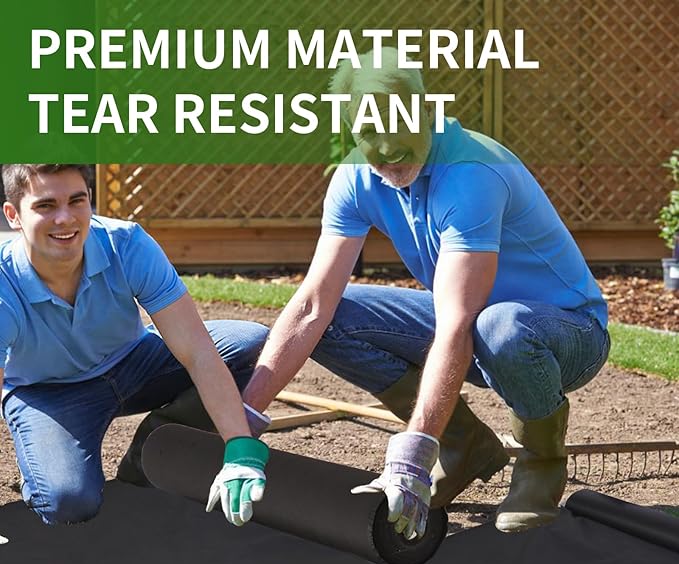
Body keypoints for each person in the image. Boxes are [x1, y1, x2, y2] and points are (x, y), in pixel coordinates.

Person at [238, 47, 610, 538]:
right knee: (333, 320)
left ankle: (541, 463)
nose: (388, 146)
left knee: (498, 327)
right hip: (476, 325)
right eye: (369, 131)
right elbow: (311, 305)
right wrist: (242, 426)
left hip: (566, 334)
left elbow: (457, 322)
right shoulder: (355, 178)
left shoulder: (472, 172)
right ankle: (464, 444)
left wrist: (413, 453)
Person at [0, 163, 271, 527]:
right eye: (45, 206)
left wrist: (240, 449)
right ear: (13, 215)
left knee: (249, 343)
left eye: (76, 201)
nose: (65, 218)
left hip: (135, 363)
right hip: (48, 392)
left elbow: (197, 350)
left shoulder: (126, 244)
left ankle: (150, 453)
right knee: (67, 502)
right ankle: (36, 461)